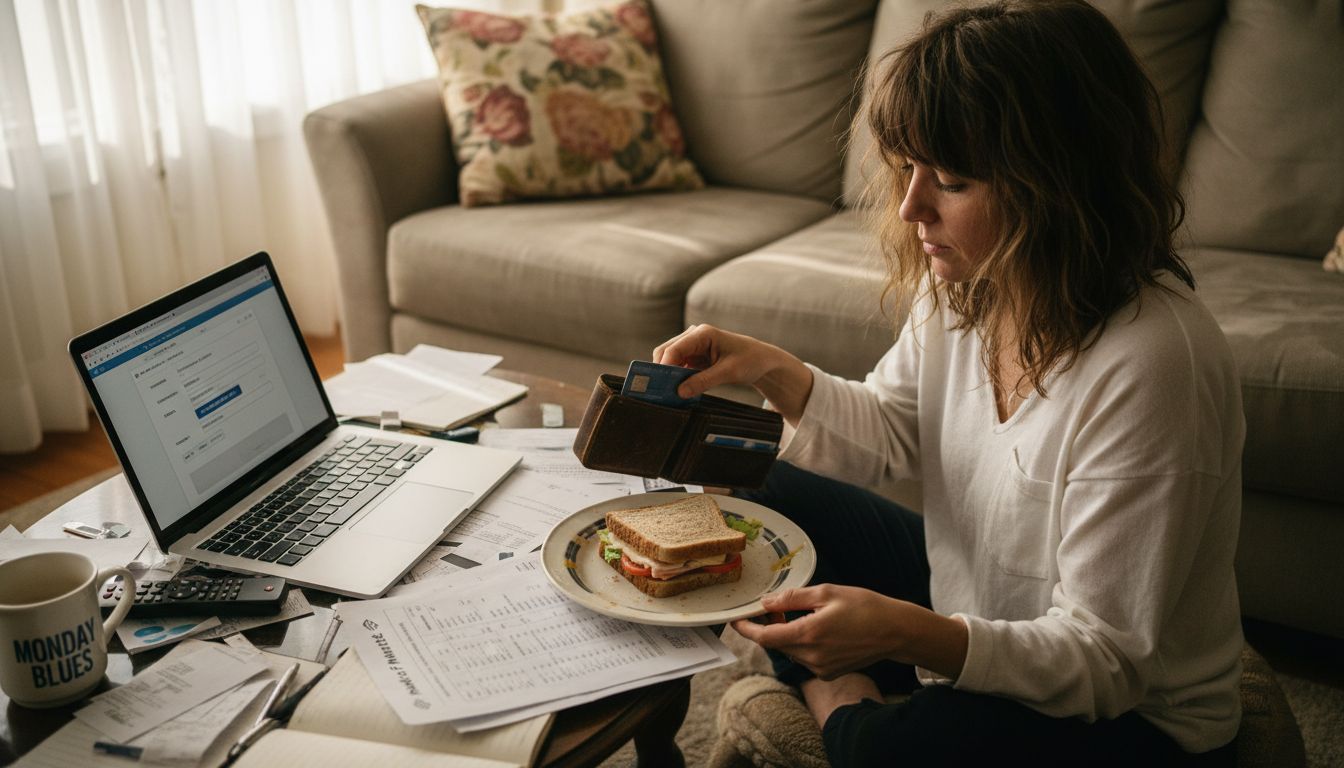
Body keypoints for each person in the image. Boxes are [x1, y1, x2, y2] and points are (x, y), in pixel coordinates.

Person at [652, 1, 1244, 764]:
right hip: (981, 609)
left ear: (1058, 182)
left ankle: (839, 706)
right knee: (760, 487)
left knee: (889, 749)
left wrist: (901, 631)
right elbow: (896, 431)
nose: (911, 207)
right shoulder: (970, 281)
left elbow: (1108, 661)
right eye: (908, 168)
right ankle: (857, 680)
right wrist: (773, 369)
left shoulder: (1154, 363)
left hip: (1138, 721)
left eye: (953, 180)